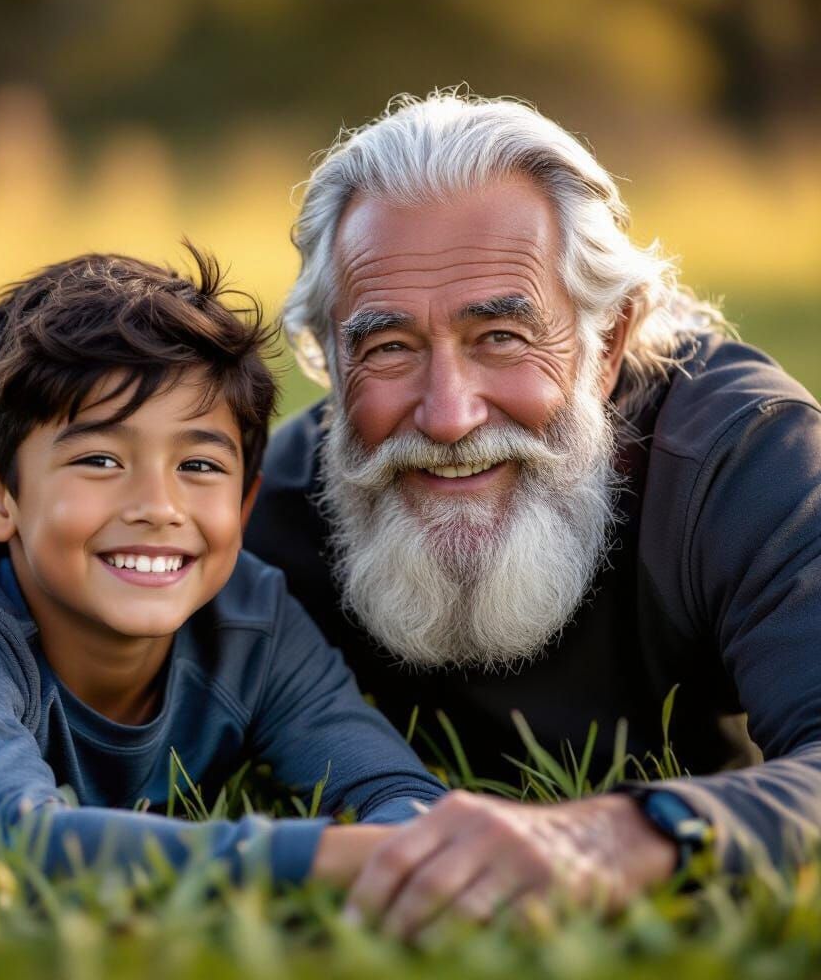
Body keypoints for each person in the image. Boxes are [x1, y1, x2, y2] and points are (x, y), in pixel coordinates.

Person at [244, 90, 821, 934]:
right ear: (332, 363)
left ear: (607, 340)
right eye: (389, 348)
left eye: (502, 338)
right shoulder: (276, 508)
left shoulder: (743, 457)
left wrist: (623, 835)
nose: (448, 416)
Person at [0, 248, 446, 886]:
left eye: (199, 465)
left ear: (244, 503)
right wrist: (333, 857)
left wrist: (437, 845)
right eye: (100, 461)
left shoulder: (254, 623)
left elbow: (396, 792)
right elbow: (17, 842)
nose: (158, 507)